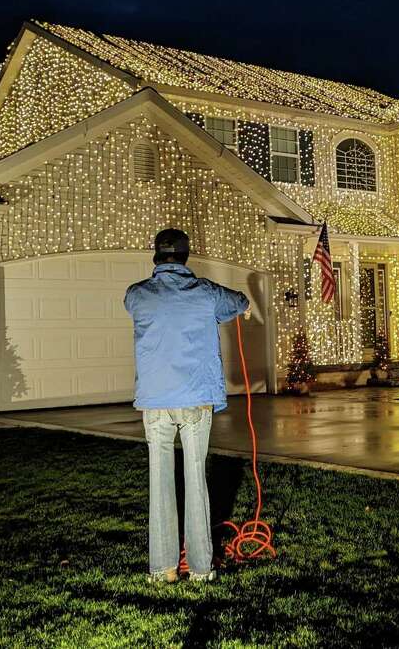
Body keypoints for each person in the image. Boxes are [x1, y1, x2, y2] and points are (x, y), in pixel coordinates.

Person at [124, 228, 250, 584]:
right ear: (184, 256)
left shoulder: (137, 295)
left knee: (159, 481)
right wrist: (244, 305)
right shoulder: (206, 293)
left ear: (157, 256)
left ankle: (162, 569)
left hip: (155, 402)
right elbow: (238, 302)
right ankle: (199, 568)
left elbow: (134, 305)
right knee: (196, 479)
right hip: (195, 399)